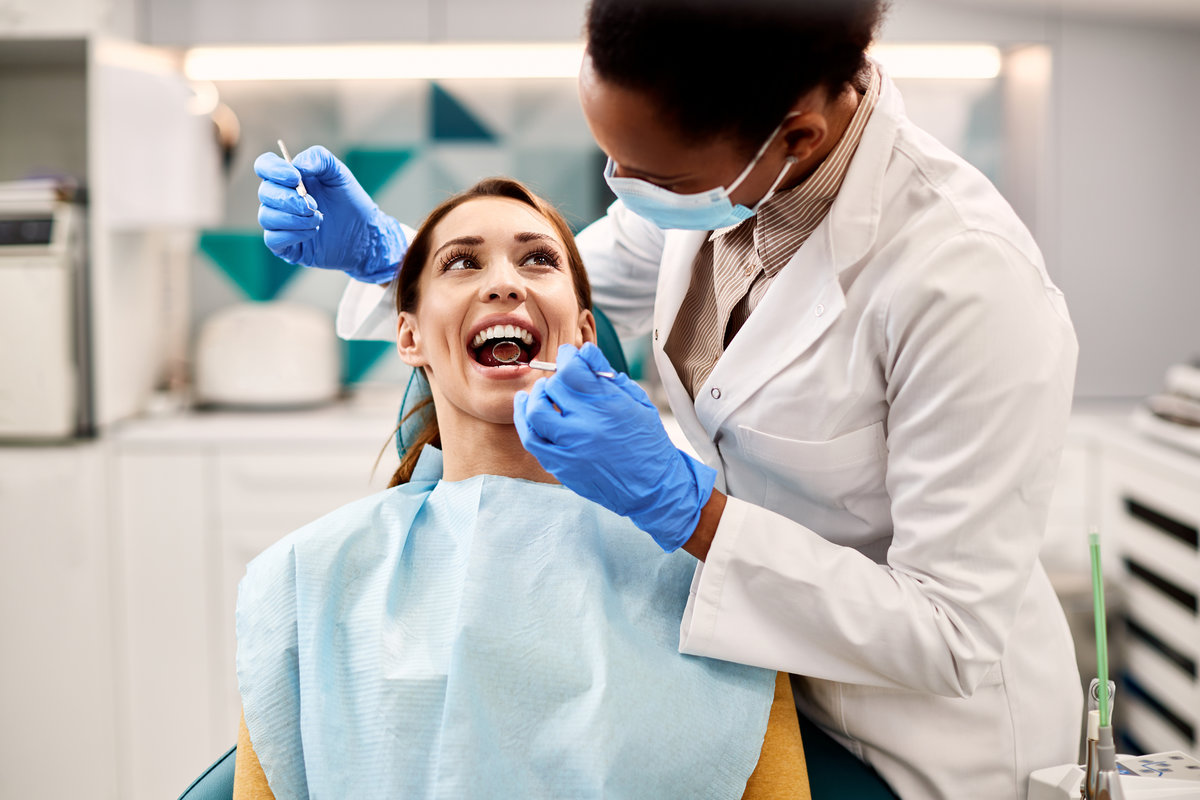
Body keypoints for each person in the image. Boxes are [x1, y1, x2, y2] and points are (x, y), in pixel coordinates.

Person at [254, 2, 1083, 796]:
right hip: (758, 670)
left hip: (917, 738)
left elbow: (951, 633)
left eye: (649, 174)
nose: (622, 186)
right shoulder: (715, 180)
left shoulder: (965, 282)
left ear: (795, 138)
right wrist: (393, 256)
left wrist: (689, 510)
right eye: (614, 160)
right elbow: (554, 274)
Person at [233, 177, 813, 799]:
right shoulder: (306, 578)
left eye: (538, 259)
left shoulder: (710, 578)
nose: (505, 283)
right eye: (462, 262)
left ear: (586, 333)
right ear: (409, 337)